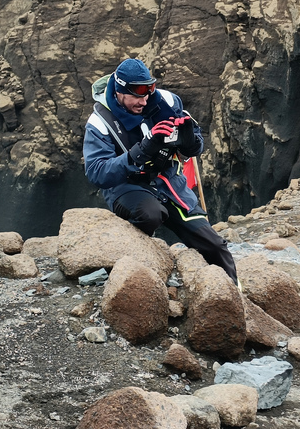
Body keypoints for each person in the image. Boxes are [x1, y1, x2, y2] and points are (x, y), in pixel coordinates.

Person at [83, 58, 238, 283]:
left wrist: (190, 141)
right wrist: (141, 151)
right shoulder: (99, 122)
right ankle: (127, 265)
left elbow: (195, 144)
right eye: (137, 95)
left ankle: (235, 297)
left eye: (148, 93)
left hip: (168, 182)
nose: (144, 101)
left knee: (216, 246)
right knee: (151, 213)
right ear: (119, 91)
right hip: (127, 186)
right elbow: (96, 172)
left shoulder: (166, 101)